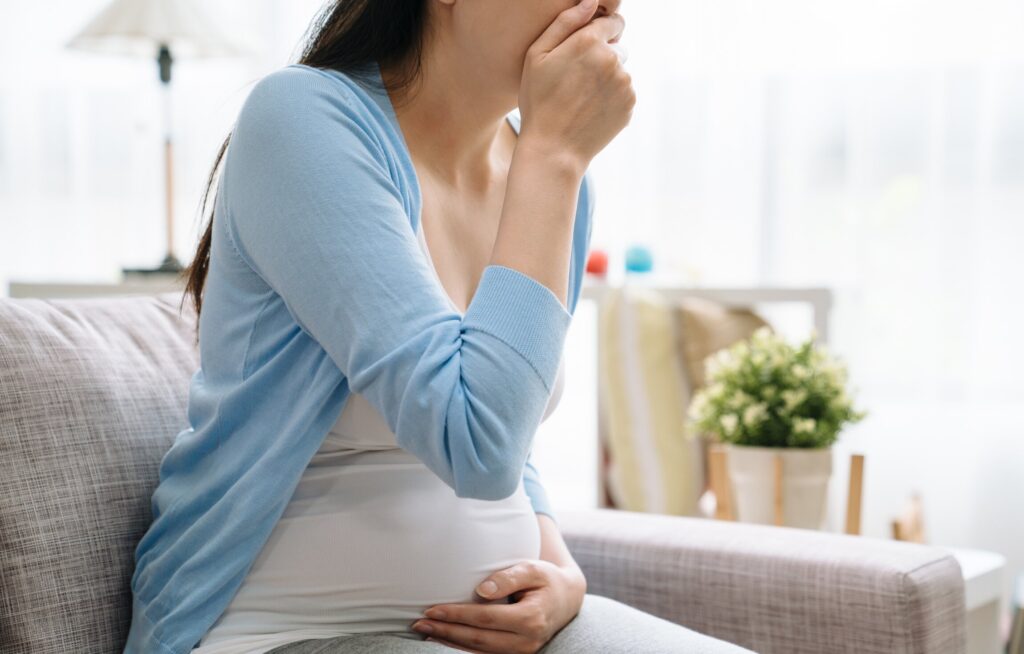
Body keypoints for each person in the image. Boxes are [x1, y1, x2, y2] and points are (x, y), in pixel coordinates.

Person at [123, 1, 756, 653]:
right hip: (283, 630)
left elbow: (512, 419)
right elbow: (478, 445)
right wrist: (556, 157)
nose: (606, 4)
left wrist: (564, 573)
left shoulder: (545, 168)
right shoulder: (303, 118)